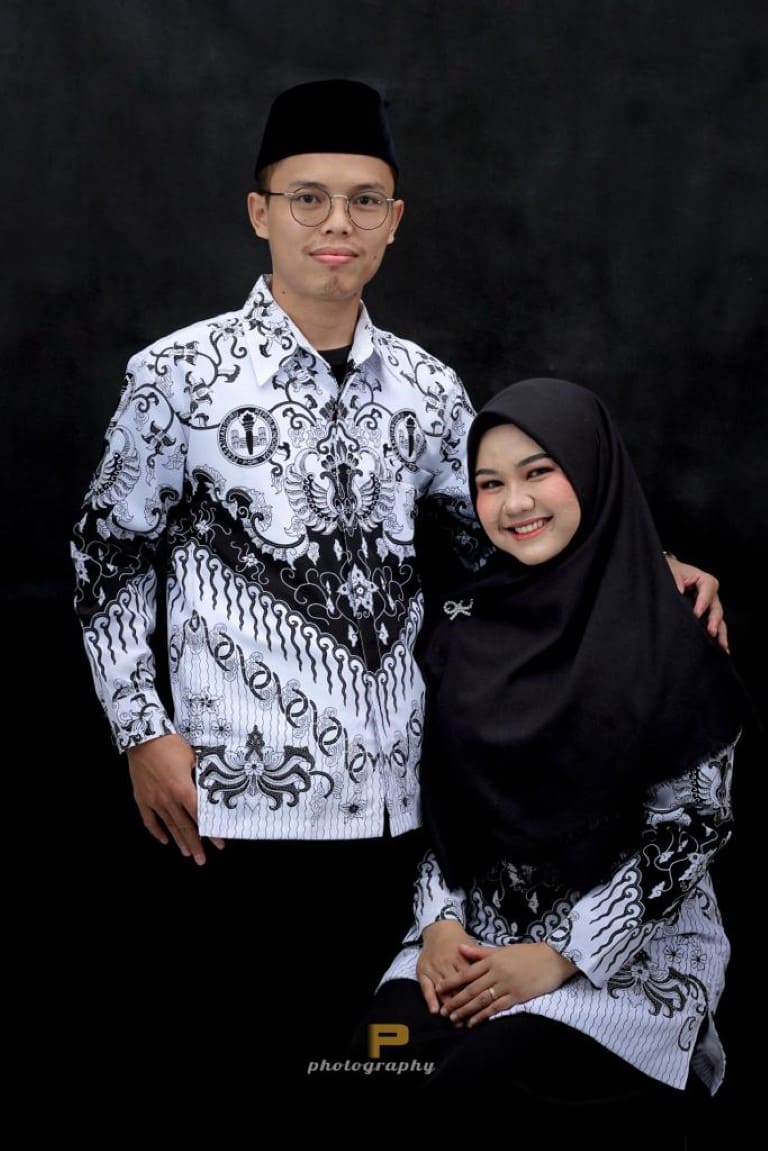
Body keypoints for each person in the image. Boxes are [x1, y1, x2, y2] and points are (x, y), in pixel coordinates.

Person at [71, 80, 726, 1085]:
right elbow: (105, 554)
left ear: (394, 220)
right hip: (236, 806)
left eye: (364, 200)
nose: (337, 223)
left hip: (402, 812)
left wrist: (647, 564)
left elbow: (509, 531)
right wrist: (141, 731)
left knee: (370, 1071)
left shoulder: (425, 387)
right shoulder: (178, 376)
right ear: (260, 212)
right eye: (308, 197)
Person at [349, 377, 745, 1120]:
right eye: (490, 483)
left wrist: (559, 955)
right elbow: (445, 801)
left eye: (539, 471)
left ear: (592, 471)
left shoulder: (671, 627)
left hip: (625, 952)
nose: (516, 503)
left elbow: (691, 827)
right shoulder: (464, 623)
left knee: (475, 1089)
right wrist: (439, 924)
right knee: (369, 1065)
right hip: (476, 929)